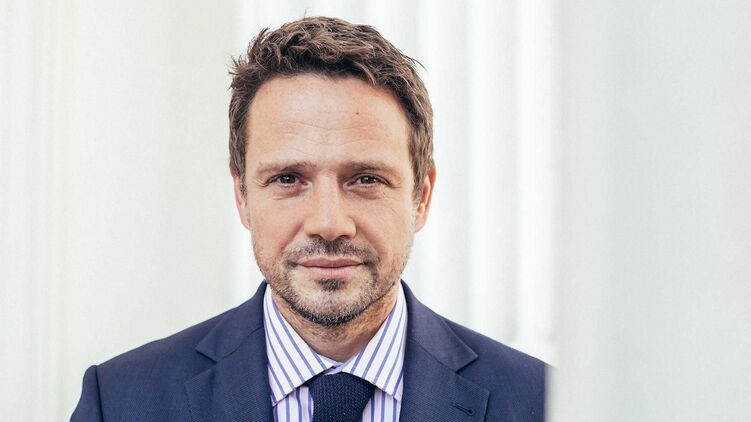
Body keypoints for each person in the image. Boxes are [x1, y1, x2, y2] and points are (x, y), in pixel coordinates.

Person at [71, 16, 545, 422]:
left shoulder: (546, 404)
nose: (329, 223)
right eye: (288, 179)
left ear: (421, 196)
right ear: (242, 196)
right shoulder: (120, 403)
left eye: (365, 179)